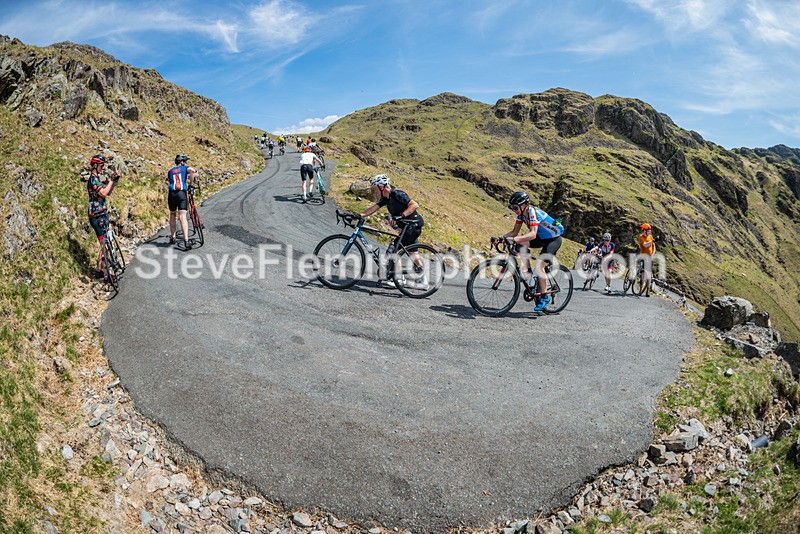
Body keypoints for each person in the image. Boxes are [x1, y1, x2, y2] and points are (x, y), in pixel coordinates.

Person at [359, 174, 425, 287]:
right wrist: (359, 215)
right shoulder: (386, 198)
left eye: (375, 188)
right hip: (409, 227)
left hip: (412, 226)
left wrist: (401, 215)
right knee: (412, 253)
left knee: (394, 250)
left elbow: (414, 205)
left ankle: (399, 279)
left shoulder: (397, 194)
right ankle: (424, 281)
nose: (375, 191)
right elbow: (374, 208)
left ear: (381, 187)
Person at [502, 191, 563, 311]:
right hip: (542, 238)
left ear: (524, 205)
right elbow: (514, 232)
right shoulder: (521, 215)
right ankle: (529, 275)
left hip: (553, 239)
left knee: (540, 265)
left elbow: (533, 234)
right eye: (512, 208)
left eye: (515, 207)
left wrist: (514, 239)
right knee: (520, 245)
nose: (514, 210)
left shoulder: (533, 212)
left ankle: (545, 296)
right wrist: (500, 238)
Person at [86, 154, 120, 280]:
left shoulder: (97, 179)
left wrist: (114, 182)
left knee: (104, 243)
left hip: (102, 214)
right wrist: (111, 179)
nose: (103, 167)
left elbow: (108, 193)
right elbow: (104, 192)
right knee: (105, 246)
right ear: (95, 166)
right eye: (101, 165)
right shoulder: (93, 180)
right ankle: (107, 276)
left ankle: (99, 270)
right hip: (96, 216)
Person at [166, 154, 197, 249]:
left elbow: (170, 180)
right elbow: (193, 171)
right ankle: (186, 241)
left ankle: (173, 237)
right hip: (181, 193)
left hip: (172, 194)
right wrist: (191, 184)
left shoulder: (170, 171)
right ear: (182, 162)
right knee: (182, 216)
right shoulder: (184, 168)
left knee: (172, 214)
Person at [637, 223, 656, 297]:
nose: (650, 232)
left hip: (649, 258)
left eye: (650, 231)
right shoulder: (641, 237)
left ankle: (648, 290)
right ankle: (640, 289)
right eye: (648, 231)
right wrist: (652, 241)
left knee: (649, 275)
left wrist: (653, 254)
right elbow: (645, 245)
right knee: (643, 273)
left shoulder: (650, 236)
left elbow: (653, 247)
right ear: (644, 231)